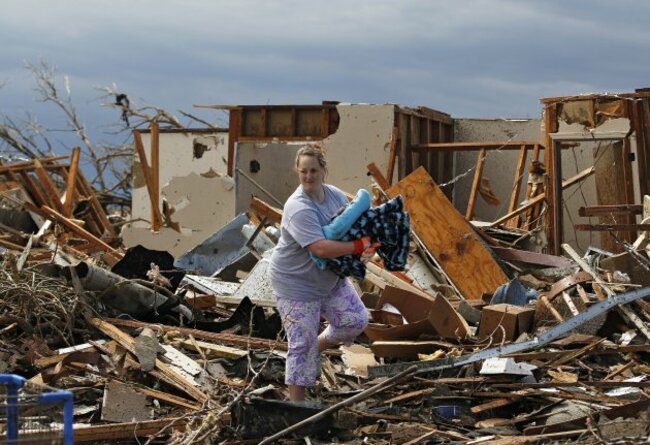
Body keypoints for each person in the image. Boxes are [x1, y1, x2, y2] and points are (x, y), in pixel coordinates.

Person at [269, 145, 375, 402]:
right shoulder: (298, 207)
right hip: (297, 284)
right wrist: (357, 246)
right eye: (303, 171)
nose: (308, 176)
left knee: (355, 320)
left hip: (329, 279)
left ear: (324, 170)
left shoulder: (335, 196)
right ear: (297, 171)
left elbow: (353, 227)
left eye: (313, 170)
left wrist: (367, 248)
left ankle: (316, 348)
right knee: (300, 346)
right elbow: (320, 248)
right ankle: (296, 406)